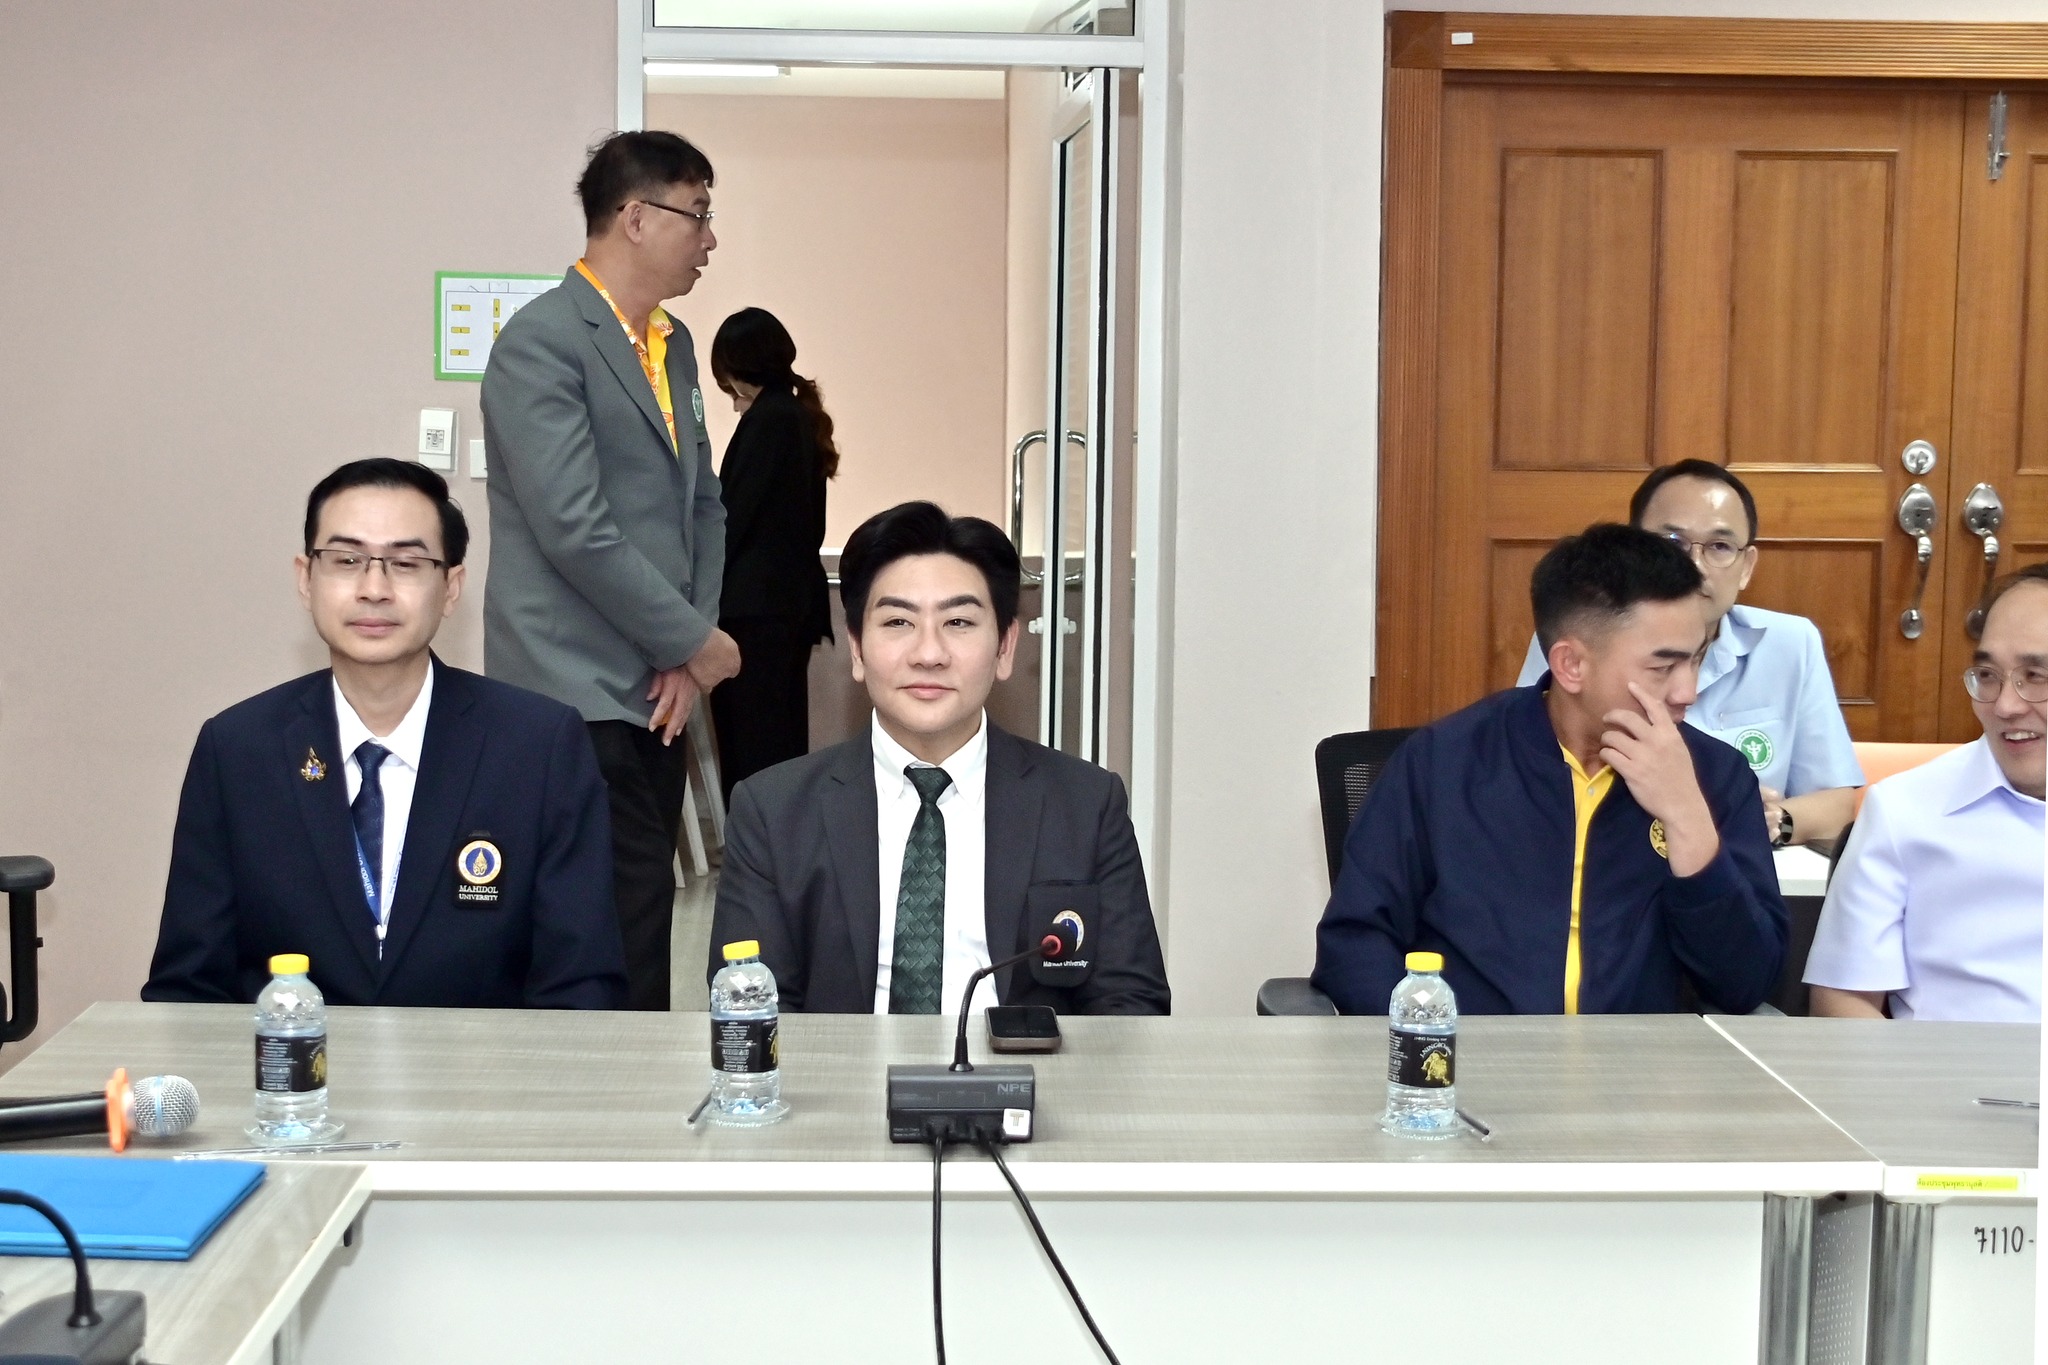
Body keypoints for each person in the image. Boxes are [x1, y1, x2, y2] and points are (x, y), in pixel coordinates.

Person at [144, 460, 627, 1009]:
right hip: (292, 1063)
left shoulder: (538, 746)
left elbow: (582, 985)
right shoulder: (238, 750)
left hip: (481, 1064)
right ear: (305, 579)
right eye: (347, 560)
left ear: (451, 588)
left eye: (406, 563)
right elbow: (187, 990)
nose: (374, 589)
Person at [708, 502, 1170, 1015]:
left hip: (1022, 1066)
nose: (929, 654)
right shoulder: (772, 811)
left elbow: (1132, 1007)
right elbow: (749, 1011)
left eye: (958, 621)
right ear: (857, 649)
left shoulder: (1086, 804)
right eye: (898, 621)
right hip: (841, 1066)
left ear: (1005, 647)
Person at [1314, 523, 1787, 1015]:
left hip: (1641, 1061)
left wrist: (1688, 817)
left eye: (1696, 659)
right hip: (1471, 1055)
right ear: (1571, 666)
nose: (1687, 691)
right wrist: (1428, 1041)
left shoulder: (1716, 776)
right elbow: (1355, 944)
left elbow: (1746, 984)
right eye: (1662, 667)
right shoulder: (1443, 764)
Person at [482, 131, 741, 1011]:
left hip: (656, 688)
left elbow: (702, 507)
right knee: (582, 934)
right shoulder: (542, 342)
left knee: (640, 920)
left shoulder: (673, 344)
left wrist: (688, 650)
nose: (709, 238)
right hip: (570, 691)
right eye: (697, 214)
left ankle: (637, 1089)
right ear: (636, 217)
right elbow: (575, 530)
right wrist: (693, 642)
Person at [1516, 461, 1862, 850]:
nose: (1694, 566)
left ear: (1746, 567)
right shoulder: (1583, 641)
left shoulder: (1792, 642)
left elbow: (1837, 802)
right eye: (1672, 543)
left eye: (1719, 547)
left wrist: (1766, 820)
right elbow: (1526, 775)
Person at [1804, 565, 2048, 1022]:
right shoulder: (1904, 811)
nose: (2006, 706)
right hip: (1952, 1066)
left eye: (2036, 676)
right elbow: (1842, 1001)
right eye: (1988, 675)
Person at [706, 306, 837, 798]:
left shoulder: (771, 420)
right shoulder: (794, 414)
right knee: (777, 735)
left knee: (752, 743)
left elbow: (732, 516)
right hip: (782, 606)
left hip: (755, 610)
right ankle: (775, 833)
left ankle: (756, 836)